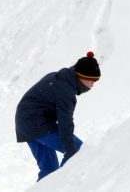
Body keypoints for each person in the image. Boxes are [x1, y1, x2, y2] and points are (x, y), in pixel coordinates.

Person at [15, 52, 101, 181]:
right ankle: (63, 186)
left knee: (49, 169)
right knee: (79, 152)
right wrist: (72, 152)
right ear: (82, 76)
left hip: (24, 123)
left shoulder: (60, 78)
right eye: (92, 80)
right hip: (37, 124)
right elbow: (65, 124)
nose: (93, 84)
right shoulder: (66, 92)